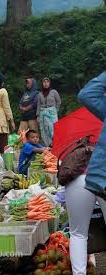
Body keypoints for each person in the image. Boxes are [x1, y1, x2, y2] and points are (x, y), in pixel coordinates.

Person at [64, 72, 106, 275]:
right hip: (102, 177)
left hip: (80, 177)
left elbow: (87, 94)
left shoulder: (98, 114)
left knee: (78, 234)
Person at [36, 77, 61, 146]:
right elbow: (38, 105)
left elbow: (59, 102)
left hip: (52, 113)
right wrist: (37, 115)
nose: (46, 84)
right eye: (44, 82)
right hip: (43, 113)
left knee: (53, 129)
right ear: (42, 84)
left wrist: (55, 110)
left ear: (49, 83)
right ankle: (48, 145)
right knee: (45, 129)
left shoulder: (54, 92)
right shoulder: (40, 94)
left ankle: (56, 144)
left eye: (47, 82)